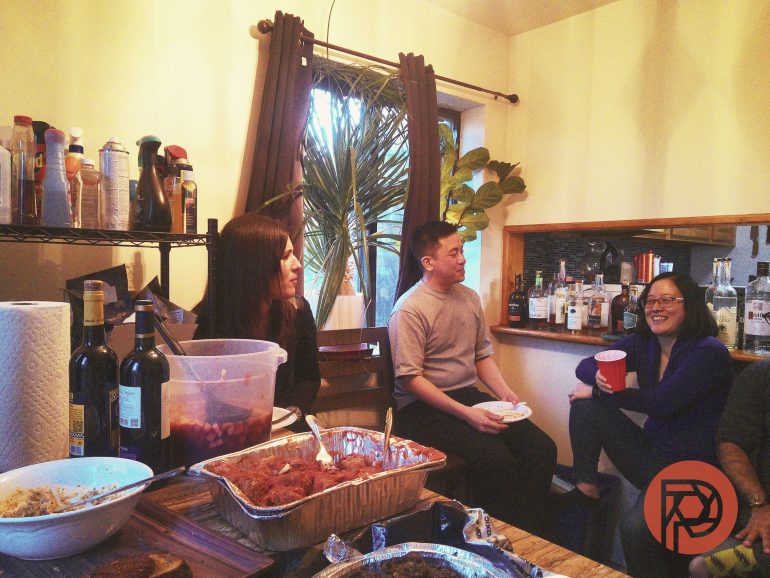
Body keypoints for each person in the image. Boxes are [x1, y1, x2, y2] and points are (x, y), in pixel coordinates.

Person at [388, 220, 557, 538]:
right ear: (429, 262)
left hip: (466, 395)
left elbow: (481, 356)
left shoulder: (468, 298)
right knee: (497, 459)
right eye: (454, 252)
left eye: (462, 250)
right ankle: (495, 542)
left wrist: (506, 393)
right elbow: (411, 379)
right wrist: (468, 415)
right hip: (421, 410)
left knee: (541, 448)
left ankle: (528, 536)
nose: (463, 258)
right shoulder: (409, 309)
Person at [567, 271, 733, 577]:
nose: (656, 307)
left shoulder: (708, 352)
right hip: (653, 455)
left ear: (690, 306)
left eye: (667, 300)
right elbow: (585, 365)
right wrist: (599, 379)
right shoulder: (645, 342)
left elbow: (663, 404)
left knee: (634, 528)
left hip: (695, 470)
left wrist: (599, 392)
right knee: (586, 406)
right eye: (650, 301)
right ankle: (586, 485)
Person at [193, 212, 320, 431]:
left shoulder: (299, 311)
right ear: (255, 266)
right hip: (230, 431)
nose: (297, 264)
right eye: (285, 256)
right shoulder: (208, 321)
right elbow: (201, 397)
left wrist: (292, 414)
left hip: (288, 427)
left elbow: (309, 378)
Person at [689, 358, 770, 578]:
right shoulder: (761, 375)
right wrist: (759, 505)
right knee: (702, 567)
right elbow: (731, 444)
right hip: (762, 514)